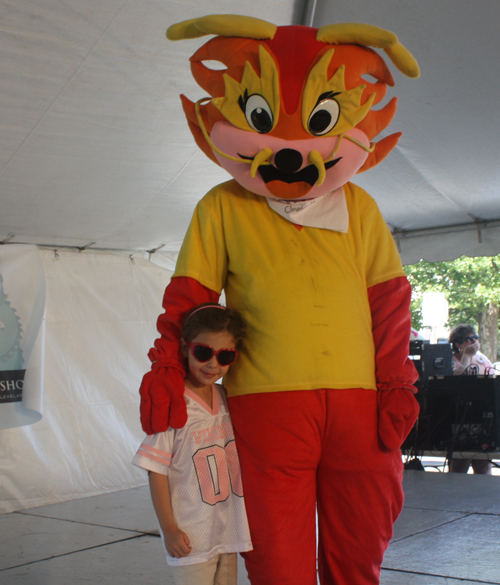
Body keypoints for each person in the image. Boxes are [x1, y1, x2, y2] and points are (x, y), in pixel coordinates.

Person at [133, 303, 252, 585]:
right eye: (203, 352)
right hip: (191, 533)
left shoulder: (226, 397)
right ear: (187, 348)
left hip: (228, 528)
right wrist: (169, 528)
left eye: (225, 356)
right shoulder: (173, 403)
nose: (213, 364)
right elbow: (155, 470)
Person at [449, 324, 494, 474]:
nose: (474, 341)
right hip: (459, 417)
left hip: (482, 417)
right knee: (460, 464)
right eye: (470, 339)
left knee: (483, 463)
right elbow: (454, 380)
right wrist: (466, 356)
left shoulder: (481, 359)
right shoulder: (450, 359)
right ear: (458, 343)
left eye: (476, 337)